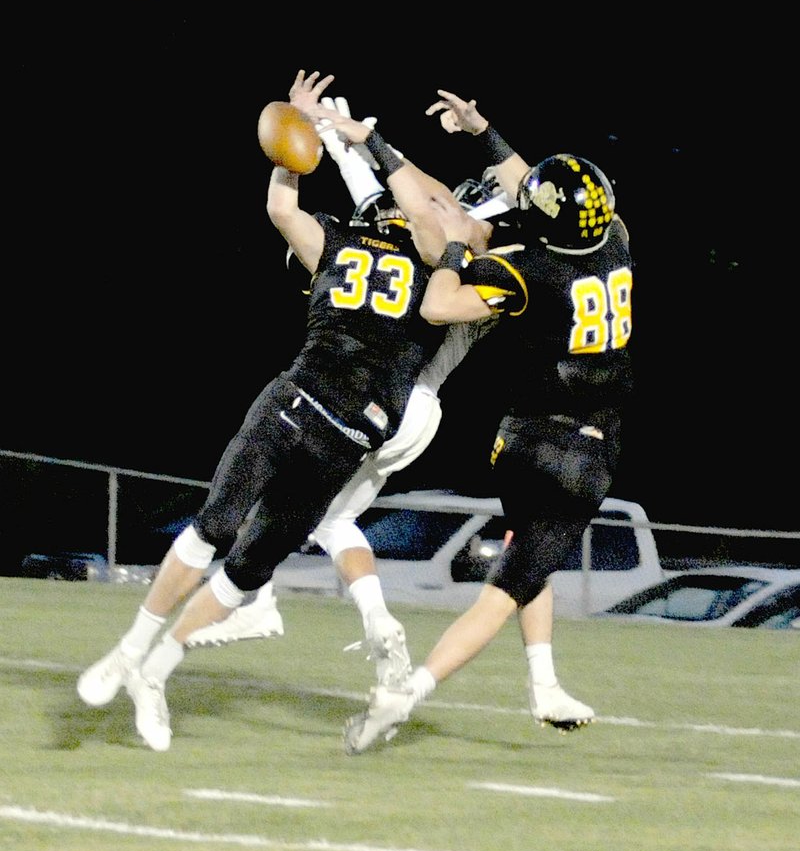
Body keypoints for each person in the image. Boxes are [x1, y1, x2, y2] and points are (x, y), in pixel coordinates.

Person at [75, 69, 466, 752]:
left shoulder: (383, 248)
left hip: (336, 431)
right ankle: (129, 652)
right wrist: (306, 146)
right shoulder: (430, 265)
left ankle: (153, 670)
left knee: (246, 566)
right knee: (216, 527)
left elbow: (287, 211)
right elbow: (310, 217)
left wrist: (295, 154)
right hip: (310, 409)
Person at [185, 95, 597, 730]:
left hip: (397, 398)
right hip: (415, 408)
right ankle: (377, 629)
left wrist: (356, 138)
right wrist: (347, 136)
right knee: (329, 516)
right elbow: (391, 202)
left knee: (301, 499)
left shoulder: (482, 247)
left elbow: (420, 211)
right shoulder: (509, 245)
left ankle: (268, 601)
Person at [341, 89, 634, 754]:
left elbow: (444, 300)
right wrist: (484, 133)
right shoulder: (615, 241)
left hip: (520, 438)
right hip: (581, 452)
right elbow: (530, 195)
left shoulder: (528, 269)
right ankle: (404, 694)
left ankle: (543, 682)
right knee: (505, 590)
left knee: (529, 553)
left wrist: (453, 248)